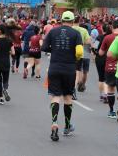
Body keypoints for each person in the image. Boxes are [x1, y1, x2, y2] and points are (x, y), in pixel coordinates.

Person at [41, 11, 83, 142]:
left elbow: (44, 47)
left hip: (54, 68)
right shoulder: (76, 33)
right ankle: (67, 126)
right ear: (72, 21)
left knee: (55, 96)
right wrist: (74, 57)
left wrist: (54, 51)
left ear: (61, 20)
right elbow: (80, 52)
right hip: (69, 69)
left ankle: (54, 122)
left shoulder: (53, 31)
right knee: (68, 98)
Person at [99, 20, 118, 118]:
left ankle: (112, 111)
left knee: (111, 89)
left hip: (110, 67)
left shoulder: (107, 37)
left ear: (112, 27)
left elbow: (101, 53)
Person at [0, 24, 15, 105]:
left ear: (0, 31)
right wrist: (7, 51)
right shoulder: (9, 41)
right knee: (5, 79)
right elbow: (13, 52)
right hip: (6, 62)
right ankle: (5, 89)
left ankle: (1, 98)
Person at [92, 23, 112, 102]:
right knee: (107, 78)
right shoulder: (111, 38)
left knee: (101, 78)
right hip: (110, 59)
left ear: (102, 29)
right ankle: (107, 94)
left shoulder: (99, 37)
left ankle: (102, 95)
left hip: (100, 59)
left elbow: (94, 48)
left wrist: (96, 53)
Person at [73, 17, 91, 96]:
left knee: (76, 70)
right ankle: (81, 84)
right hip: (83, 51)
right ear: (79, 22)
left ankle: (74, 84)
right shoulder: (84, 30)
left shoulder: (70, 29)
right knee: (82, 70)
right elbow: (88, 42)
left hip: (71, 52)